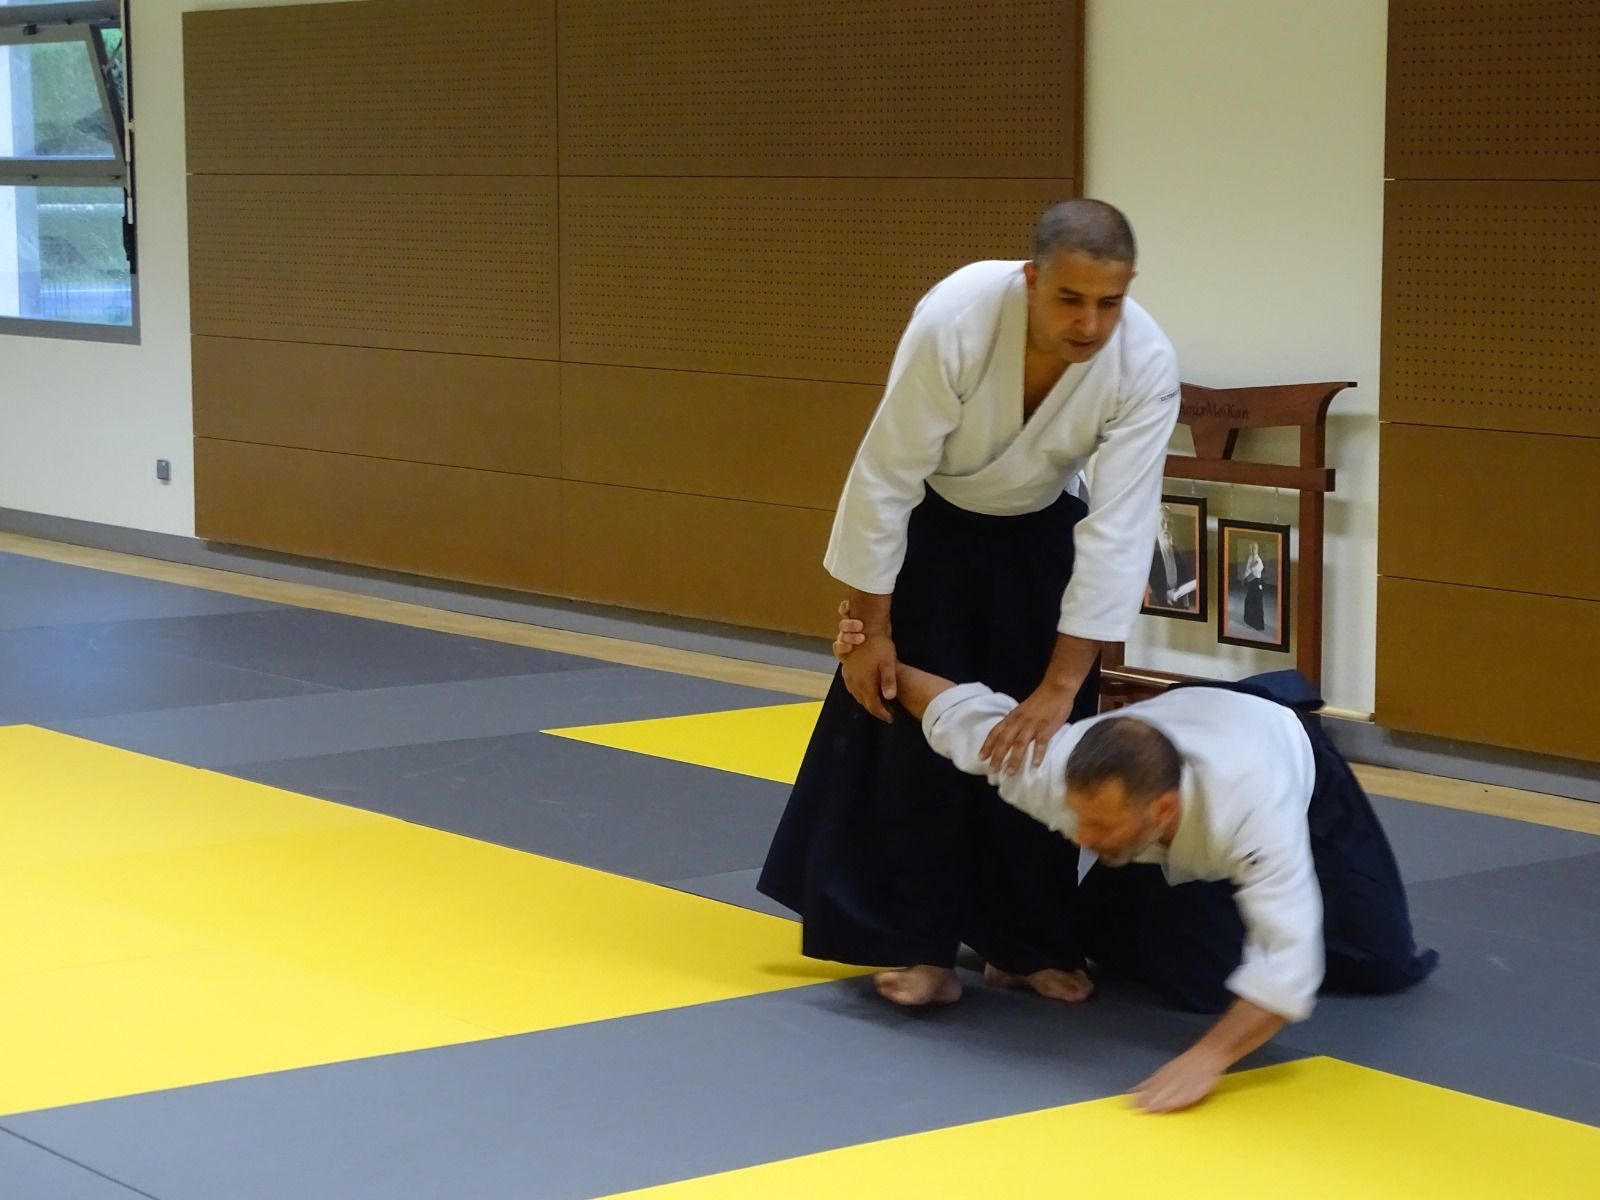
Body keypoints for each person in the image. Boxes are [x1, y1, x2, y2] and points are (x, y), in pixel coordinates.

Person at [757, 199, 1182, 1008]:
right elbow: (887, 474)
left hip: (1041, 529)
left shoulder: (1145, 361)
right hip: (937, 524)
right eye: (1070, 299)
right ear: (1031, 280)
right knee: (910, 731)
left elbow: (1119, 527)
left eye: (1109, 302)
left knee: (1041, 741)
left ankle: (1022, 942)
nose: (1090, 323)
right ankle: (915, 944)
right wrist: (869, 629)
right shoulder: (958, 316)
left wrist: (1061, 685)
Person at [848, 643, 1439, 1113]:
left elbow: (1289, 960)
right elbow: (960, 714)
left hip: (1282, 747)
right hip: (1163, 735)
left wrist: (1209, 1058)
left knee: (1379, 962)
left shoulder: (1255, 814)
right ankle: (1067, 925)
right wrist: (872, 653)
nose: (1081, 837)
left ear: (1162, 812)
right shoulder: (1058, 770)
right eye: (1082, 819)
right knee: (1205, 988)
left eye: (1101, 826)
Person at [1147, 503, 1197, 611]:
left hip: (1176, 605)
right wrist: (1166, 595)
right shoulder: (1148, 551)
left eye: (1169, 523)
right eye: (1162, 523)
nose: (1166, 527)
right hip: (1157, 608)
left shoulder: (1174, 549)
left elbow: (1183, 576)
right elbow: (1147, 589)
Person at [1242, 540, 1267, 631]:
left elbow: (1255, 574)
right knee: (1248, 601)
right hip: (1251, 583)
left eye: (1255, 548)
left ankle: (1258, 625)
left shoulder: (1258, 560)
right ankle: (1249, 620)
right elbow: (1248, 569)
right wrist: (1244, 578)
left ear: (1257, 549)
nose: (1253, 550)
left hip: (1256, 582)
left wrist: (1248, 577)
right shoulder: (1250, 557)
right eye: (1252, 548)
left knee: (1257, 603)